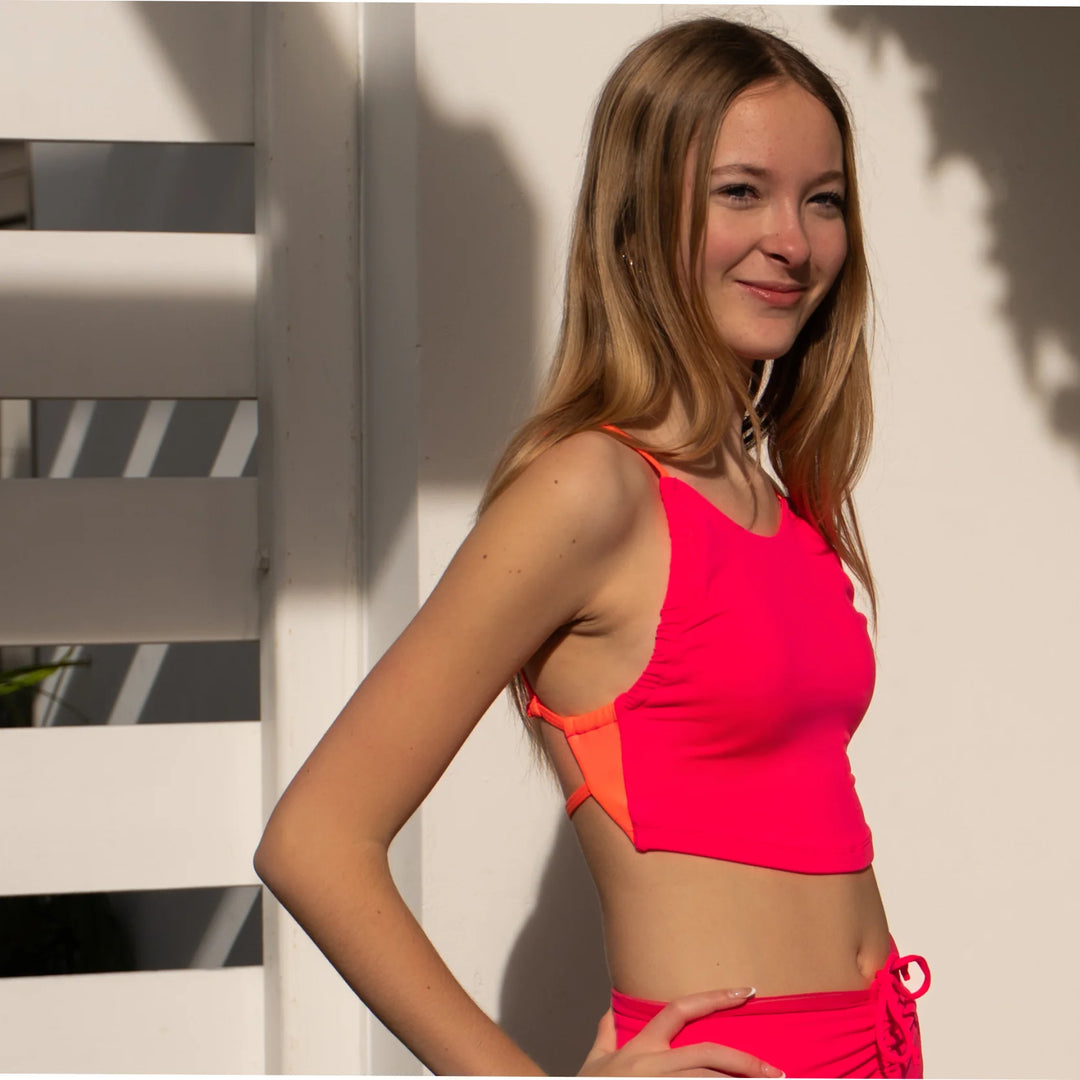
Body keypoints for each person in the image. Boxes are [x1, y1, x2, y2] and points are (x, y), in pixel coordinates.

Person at [254, 16, 930, 1078]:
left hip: (879, 1046)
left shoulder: (779, 502)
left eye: (824, 199)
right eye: (740, 191)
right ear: (638, 219)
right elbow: (315, 839)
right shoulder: (591, 488)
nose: (794, 241)